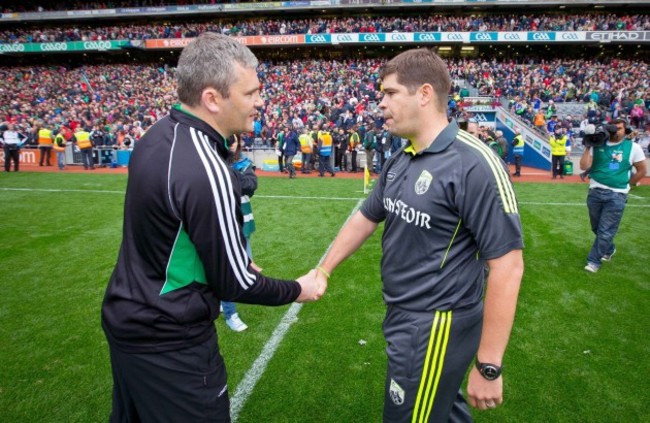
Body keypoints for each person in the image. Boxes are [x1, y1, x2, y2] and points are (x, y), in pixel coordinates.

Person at [101, 33, 324, 423]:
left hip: (130, 323)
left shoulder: (156, 135)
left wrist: (225, 257)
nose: (260, 101)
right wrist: (298, 289)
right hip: (170, 339)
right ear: (212, 99)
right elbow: (236, 284)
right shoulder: (207, 169)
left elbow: (166, 237)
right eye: (251, 92)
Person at [315, 48, 524, 422]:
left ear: (424, 94)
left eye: (390, 93)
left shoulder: (474, 164)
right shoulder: (403, 157)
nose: (380, 104)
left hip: (436, 325)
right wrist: (324, 269)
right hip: (404, 314)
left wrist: (489, 365)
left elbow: (508, 265)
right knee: (440, 410)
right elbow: (366, 216)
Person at [579, 118, 647, 273]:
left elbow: (642, 170)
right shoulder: (598, 143)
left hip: (617, 195)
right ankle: (609, 249)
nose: (616, 130)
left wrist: (629, 185)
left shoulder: (633, 147)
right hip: (595, 192)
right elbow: (583, 166)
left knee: (606, 230)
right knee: (596, 228)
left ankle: (593, 261)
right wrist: (587, 147)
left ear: (625, 130)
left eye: (620, 128)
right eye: (613, 127)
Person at [221, 134, 257, 332]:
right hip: (222, 222)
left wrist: (229, 176)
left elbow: (250, 186)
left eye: (234, 141)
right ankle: (230, 313)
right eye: (228, 141)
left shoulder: (243, 162)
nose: (231, 145)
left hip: (243, 221)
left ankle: (222, 300)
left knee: (244, 267)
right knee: (228, 270)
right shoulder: (214, 159)